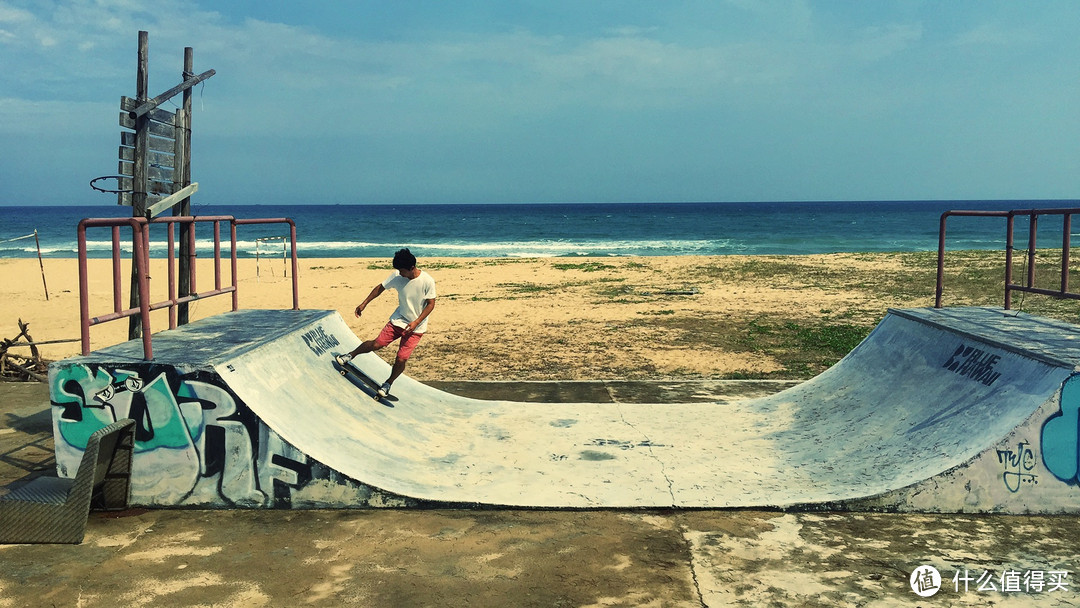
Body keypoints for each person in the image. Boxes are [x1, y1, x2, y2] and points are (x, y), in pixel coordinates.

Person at [335, 248, 436, 397]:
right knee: (377, 344)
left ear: (412, 268)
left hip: (416, 327)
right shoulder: (397, 275)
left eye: (402, 271)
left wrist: (416, 322)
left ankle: (388, 383)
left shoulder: (427, 281)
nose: (399, 274)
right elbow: (380, 288)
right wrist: (364, 303)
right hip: (399, 320)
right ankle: (350, 355)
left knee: (401, 358)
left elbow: (431, 304)